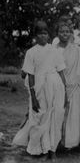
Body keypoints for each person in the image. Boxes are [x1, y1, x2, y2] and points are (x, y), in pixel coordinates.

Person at [13, 21, 66, 161]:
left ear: (49, 35)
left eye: (45, 33)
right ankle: (42, 149)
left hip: (56, 87)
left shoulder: (55, 50)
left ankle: (52, 150)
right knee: (41, 119)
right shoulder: (31, 52)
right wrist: (34, 97)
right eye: (40, 34)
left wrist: (64, 93)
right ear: (35, 36)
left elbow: (61, 72)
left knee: (55, 118)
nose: (43, 36)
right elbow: (30, 75)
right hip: (40, 88)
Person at [55, 22, 80, 149]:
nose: (65, 34)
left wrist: (72, 81)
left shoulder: (77, 50)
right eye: (62, 31)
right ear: (57, 34)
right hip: (57, 84)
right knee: (57, 113)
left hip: (74, 85)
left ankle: (70, 143)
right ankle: (56, 142)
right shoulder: (53, 49)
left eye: (67, 31)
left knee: (74, 113)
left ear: (71, 33)